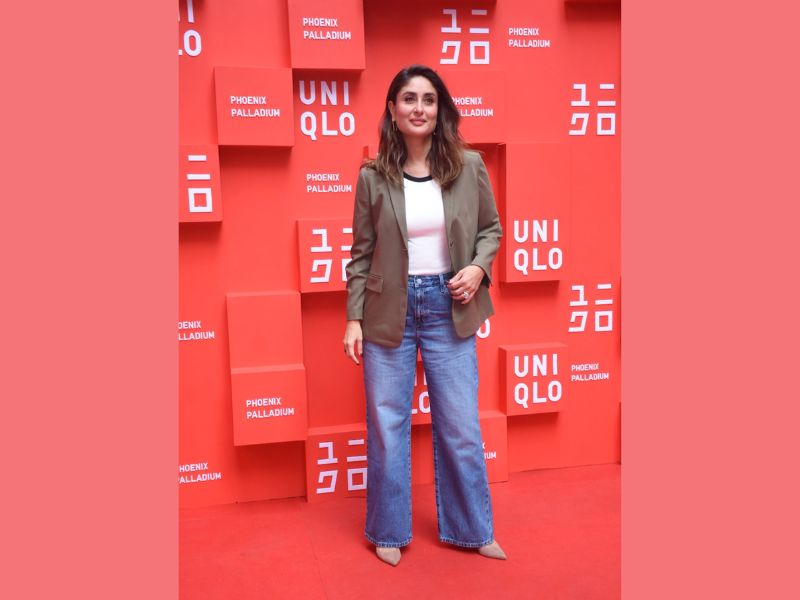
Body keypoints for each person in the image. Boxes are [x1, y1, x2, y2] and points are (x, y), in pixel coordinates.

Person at [343, 65, 505, 567]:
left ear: (440, 111)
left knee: (461, 426)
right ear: (392, 110)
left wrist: (478, 268)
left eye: (429, 100)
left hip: (448, 307)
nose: (419, 108)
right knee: (387, 426)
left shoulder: (469, 165)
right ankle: (388, 529)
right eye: (409, 98)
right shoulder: (373, 176)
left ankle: (472, 529)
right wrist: (353, 318)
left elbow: (491, 230)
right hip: (387, 309)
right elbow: (361, 253)